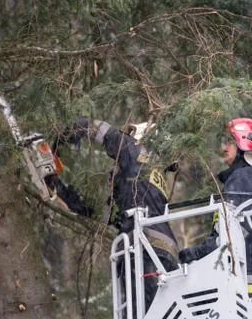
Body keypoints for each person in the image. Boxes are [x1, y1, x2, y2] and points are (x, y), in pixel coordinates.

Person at [54, 117, 179, 315]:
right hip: (157, 251)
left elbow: (106, 134)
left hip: (147, 249)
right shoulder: (138, 183)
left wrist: (67, 131)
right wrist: (58, 187)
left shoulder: (138, 155)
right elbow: (98, 212)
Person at [178, 117, 252, 319]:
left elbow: (231, 235)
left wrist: (195, 253)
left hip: (246, 285)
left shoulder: (242, 177)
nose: (223, 148)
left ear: (242, 144)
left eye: (229, 142)